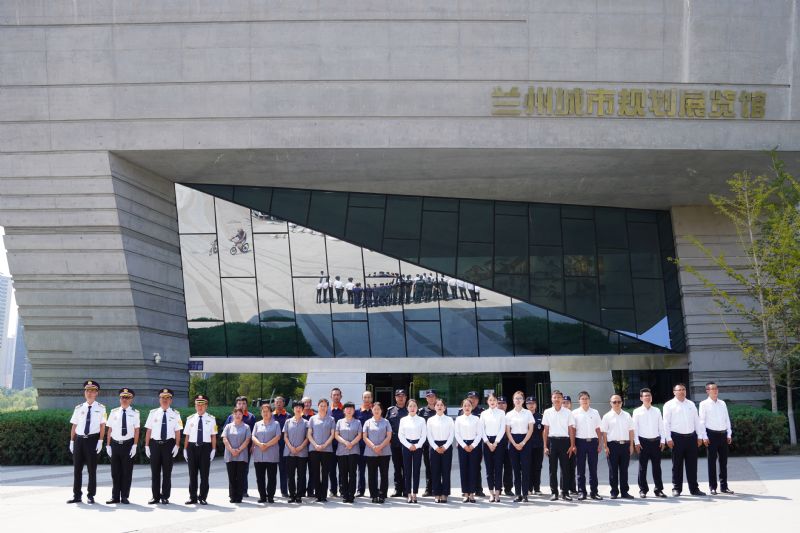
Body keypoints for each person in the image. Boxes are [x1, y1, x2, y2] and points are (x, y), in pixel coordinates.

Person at [67, 380, 107, 504]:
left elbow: (102, 426)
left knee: (91, 470)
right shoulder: (79, 408)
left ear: (96, 393)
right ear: (85, 393)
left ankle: (91, 495)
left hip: (92, 440)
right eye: (87, 391)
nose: (89, 393)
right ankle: (77, 495)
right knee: (77, 469)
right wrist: (72, 441)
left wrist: (100, 441)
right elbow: (74, 425)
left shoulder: (101, 408)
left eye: (92, 391)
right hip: (79, 440)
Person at [663, 383, 706, 497]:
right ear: (674, 392)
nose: (682, 391)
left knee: (692, 465)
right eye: (679, 390)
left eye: (683, 389)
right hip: (677, 438)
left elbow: (697, 421)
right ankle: (676, 488)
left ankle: (694, 489)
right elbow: (666, 423)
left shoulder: (691, 404)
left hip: (691, 438)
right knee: (677, 465)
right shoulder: (669, 405)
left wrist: (700, 436)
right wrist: (668, 438)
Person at [144, 388, 183, 504]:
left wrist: (177, 445)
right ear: (159, 399)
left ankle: (165, 496)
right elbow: (149, 430)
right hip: (155, 445)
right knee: (155, 472)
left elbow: (177, 431)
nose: (165, 400)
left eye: (167, 398)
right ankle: (155, 496)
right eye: (162, 398)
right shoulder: (153, 413)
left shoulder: (176, 414)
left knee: (167, 472)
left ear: (171, 400)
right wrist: (147, 446)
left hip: (168, 445)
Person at [104, 387, 138, 505]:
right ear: (120, 399)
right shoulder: (114, 412)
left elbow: (136, 430)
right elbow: (109, 430)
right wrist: (108, 445)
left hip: (128, 444)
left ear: (131, 399)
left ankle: (124, 496)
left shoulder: (135, 413)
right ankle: (115, 497)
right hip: (115, 444)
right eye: (122, 397)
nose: (124, 399)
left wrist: (135, 445)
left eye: (127, 398)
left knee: (127, 472)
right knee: (115, 472)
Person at [699, 381, 734, 495]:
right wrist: (704, 436)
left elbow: (727, 419)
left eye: (716, 388)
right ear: (707, 391)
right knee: (712, 462)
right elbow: (702, 421)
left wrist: (729, 434)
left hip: (723, 435)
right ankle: (712, 487)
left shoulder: (722, 403)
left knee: (723, 462)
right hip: (711, 435)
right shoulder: (703, 404)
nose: (715, 391)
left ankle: (724, 487)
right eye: (712, 389)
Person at [183, 394, 217, 505]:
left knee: (204, 474)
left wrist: (213, 449)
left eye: (202, 405)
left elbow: (213, 436)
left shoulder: (211, 419)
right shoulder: (190, 419)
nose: (200, 407)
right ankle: (192, 497)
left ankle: (202, 497)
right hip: (192, 448)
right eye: (198, 404)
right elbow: (187, 436)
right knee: (192, 474)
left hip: (205, 448)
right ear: (195, 406)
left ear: (206, 405)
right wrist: (185, 449)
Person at [633, 387, 667, 498]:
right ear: (641, 398)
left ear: (651, 397)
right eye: (645, 396)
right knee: (642, 468)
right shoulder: (637, 412)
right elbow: (635, 429)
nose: (647, 397)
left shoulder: (657, 410)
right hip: (643, 442)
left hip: (656, 442)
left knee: (657, 467)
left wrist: (663, 440)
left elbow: (661, 427)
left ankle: (658, 490)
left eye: (649, 396)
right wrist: (636, 442)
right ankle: (643, 490)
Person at [542, 389, 576, 501]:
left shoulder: (568, 412)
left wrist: (572, 445)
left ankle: (565, 492)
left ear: (562, 399)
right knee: (552, 469)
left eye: (559, 397)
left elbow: (571, 429)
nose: (557, 399)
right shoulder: (547, 412)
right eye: (555, 397)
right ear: (552, 399)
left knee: (565, 468)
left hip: (565, 442)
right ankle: (554, 492)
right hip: (552, 442)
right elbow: (545, 430)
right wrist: (545, 446)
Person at [602, 394, 635, 499]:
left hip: (625, 445)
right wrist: (605, 446)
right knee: (613, 470)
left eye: (619, 401)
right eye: (614, 402)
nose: (617, 403)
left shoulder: (627, 415)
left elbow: (631, 431)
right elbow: (604, 433)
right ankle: (614, 492)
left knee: (624, 470)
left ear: (622, 402)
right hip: (612, 446)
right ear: (610, 403)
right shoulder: (607, 416)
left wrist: (631, 445)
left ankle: (624, 491)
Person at [571, 391, 603, 501]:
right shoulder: (574, 413)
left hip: (593, 442)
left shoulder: (595, 412)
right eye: (582, 398)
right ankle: (582, 492)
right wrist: (573, 445)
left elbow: (598, 428)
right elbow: (573, 430)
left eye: (586, 398)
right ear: (579, 401)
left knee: (593, 468)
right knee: (580, 469)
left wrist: (600, 443)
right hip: (580, 442)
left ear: (589, 400)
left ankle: (594, 492)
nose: (584, 400)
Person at [224, 396, 256, 497]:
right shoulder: (230, 417)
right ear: (236, 405)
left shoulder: (251, 417)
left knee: (244, 470)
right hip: (231, 448)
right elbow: (225, 433)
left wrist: (253, 445)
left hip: (245, 448)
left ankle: (243, 490)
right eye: (239, 403)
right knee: (232, 471)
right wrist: (230, 448)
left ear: (247, 405)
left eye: (243, 403)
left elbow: (254, 433)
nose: (241, 405)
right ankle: (233, 492)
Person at [505, 391, 533, 502]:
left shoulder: (528, 413)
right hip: (513, 441)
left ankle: (525, 494)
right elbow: (508, 431)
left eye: (520, 398)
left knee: (525, 469)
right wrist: (514, 443)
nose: (518, 400)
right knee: (516, 469)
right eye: (516, 398)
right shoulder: (509, 414)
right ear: (513, 400)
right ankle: (518, 494)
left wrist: (523, 443)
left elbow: (530, 429)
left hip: (525, 441)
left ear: (523, 400)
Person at [251, 402, 281, 503]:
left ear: (271, 412)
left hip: (271, 454)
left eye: (267, 411)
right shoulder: (257, 424)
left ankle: (271, 496)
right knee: (260, 477)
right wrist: (260, 444)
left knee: (271, 477)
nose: (265, 413)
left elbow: (277, 437)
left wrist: (266, 445)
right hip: (259, 454)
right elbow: (253, 436)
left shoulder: (276, 424)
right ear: (261, 413)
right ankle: (262, 496)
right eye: (263, 411)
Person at [363, 402, 393, 503]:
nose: (376, 411)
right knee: (372, 474)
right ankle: (374, 495)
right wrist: (374, 447)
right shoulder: (367, 422)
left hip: (384, 452)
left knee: (384, 474)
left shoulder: (386, 422)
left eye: (378, 409)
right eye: (374, 409)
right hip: (370, 452)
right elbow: (364, 437)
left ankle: (382, 495)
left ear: (381, 411)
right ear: (372, 410)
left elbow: (389, 436)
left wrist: (380, 447)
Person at [426, 398, 455, 503]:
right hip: (434, 447)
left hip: (446, 446)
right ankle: (436, 493)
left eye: (441, 405)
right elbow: (429, 435)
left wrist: (445, 446)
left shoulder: (449, 420)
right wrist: (435, 447)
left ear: (445, 407)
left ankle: (444, 493)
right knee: (435, 471)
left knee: (446, 471)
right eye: (437, 405)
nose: (439, 407)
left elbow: (452, 435)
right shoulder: (430, 420)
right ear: (434, 407)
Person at [455, 398, 483, 503]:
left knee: (473, 469)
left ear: (472, 407)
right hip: (462, 446)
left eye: (469, 406)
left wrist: (473, 445)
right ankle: (465, 493)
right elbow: (457, 433)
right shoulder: (458, 419)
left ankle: (472, 494)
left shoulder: (476, 419)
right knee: (464, 469)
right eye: (465, 405)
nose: (467, 407)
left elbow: (479, 434)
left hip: (473, 446)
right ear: (462, 407)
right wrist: (463, 445)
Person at [398, 399, 427, 503]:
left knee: (416, 470)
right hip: (407, 446)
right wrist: (409, 445)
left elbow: (424, 435)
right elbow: (400, 435)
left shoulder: (421, 420)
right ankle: (408, 494)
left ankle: (415, 493)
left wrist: (417, 445)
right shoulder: (403, 420)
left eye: (414, 406)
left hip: (418, 447)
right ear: (407, 408)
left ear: (417, 408)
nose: (412, 408)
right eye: (410, 406)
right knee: (407, 471)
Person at [307, 398, 336, 502]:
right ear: (318, 406)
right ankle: (317, 495)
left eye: (325, 406)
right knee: (315, 472)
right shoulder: (312, 419)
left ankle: (323, 495)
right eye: (321, 406)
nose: (323, 407)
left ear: (327, 407)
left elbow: (332, 434)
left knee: (325, 473)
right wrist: (315, 445)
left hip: (327, 449)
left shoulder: (331, 419)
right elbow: (309, 434)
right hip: (314, 449)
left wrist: (324, 445)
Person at [480, 393, 506, 502]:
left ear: (497, 402)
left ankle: (498, 493)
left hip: (498, 442)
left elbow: (502, 429)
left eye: (494, 400)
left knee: (498, 468)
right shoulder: (484, 414)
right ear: (487, 401)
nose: (492, 402)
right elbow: (481, 429)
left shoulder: (501, 413)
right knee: (489, 469)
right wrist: (488, 442)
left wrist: (495, 443)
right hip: (487, 443)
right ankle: (491, 493)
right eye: (490, 400)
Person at [222, 407, 252, 503]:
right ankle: (232, 496)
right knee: (231, 477)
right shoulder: (228, 426)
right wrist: (231, 450)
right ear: (233, 415)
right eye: (236, 414)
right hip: (230, 455)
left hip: (242, 455)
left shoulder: (246, 427)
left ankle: (239, 497)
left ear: (242, 415)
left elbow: (247, 440)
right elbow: (224, 439)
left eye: (239, 414)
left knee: (240, 477)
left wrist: (238, 450)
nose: (238, 416)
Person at [335, 402, 362, 503]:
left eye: (351, 408)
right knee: (343, 473)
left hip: (353, 451)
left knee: (352, 473)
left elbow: (359, 435)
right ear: (344, 410)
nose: (349, 410)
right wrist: (345, 442)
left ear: (354, 411)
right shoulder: (339, 422)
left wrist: (351, 443)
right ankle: (345, 494)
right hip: (342, 451)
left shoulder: (358, 422)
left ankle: (351, 495)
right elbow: (336, 435)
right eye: (347, 408)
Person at [283, 401, 309, 503]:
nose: (298, 409)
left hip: (302, 453)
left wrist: (300, 447)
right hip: (290, 452)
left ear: (302, 409)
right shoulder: (288, 422)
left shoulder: (306, 422)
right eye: (296, 407)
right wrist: (291, 447)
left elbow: (307, 437)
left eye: (300, 407)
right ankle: (292, 495)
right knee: (290, 475)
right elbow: (285, 436)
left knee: (301, 475)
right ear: (293, 409)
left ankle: (299, 495)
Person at [386, 388, 409, 497]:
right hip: (394, 443)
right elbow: (386, 426)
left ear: (406, 398)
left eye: (402, 396)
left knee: (406, 467)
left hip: (407, 444)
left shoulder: (410, 410)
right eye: (398, 396)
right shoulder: (390, 410)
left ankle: (406, 489)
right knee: (397, 467)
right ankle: (397, 489)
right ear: (395, 398)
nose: (400, 398)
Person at [418, 389, 438, 497]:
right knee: (428, 466)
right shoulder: (421, 411)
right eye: (429, 396)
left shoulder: (440, 408)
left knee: (438, 466)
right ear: (426, 398)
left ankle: (437, 488)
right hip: (426, 444)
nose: (431, 398)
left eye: (432, 396)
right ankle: (428, 489)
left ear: (436, 397)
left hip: (438, 443)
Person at [355, 390, 374, 496]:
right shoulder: (357, 412)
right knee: (361, 469)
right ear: (362, 399)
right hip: (361, 445)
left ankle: (373, 491)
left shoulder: (375, 411)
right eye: (365, 397)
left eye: (369, 397)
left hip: (373, 446)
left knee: (372, 470)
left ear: (371, 398)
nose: (367, 399)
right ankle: (360, 490)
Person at [526, 396, 545, 496]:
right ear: (526, 405)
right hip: (527, 446)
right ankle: (529, 488)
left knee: (537, 467)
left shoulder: (541, 416)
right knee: (528, 467)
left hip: (538, 446)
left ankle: (537, 488)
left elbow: (544, 431)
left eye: (533, 403)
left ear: (536, 405)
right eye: (529, 403)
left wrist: (545, 445)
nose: (531, 405)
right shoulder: (524, 416)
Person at [328, 388, 345, 497]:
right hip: (330, 444)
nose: (336, 397)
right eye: (334, 395)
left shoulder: (345, 410)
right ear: (331, 397)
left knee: (343, 469)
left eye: (338, 395)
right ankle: (333, 490)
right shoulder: (327, 410)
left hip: (342, 444)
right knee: (331, 469)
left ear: (341, 396)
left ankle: (342, 490)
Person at [273, 396, 290, 497]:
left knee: (284, 470)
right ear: (274, 404)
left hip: (283, 446)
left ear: (284, 403)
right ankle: (271, 491)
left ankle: (284, 491)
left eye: (280, 402)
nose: (278, 404)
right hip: (272, 446)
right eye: (276, 402)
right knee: (271, 470)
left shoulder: (288, 416)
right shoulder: (271, 415)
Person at [498, 396, 514, 496]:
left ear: (506, 405)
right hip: (497, 445)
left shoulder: (510, 416)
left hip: (509, 444)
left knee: (509, 467)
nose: (501, 405)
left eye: (503, 403)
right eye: (499, 403)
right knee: (497, 467)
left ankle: (508, 488)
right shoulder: (495, 416)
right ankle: (498, 488)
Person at [563, 395, 578, 495]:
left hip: (573, 442)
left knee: (572, 466)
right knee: (563, 466)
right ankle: (563, 488)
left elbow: (576, 430)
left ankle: (572, 488)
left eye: (567, 403)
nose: (565, 404)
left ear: (570, 404)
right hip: (563, 442)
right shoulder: (560, 415)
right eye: (563, 403)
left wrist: (574, 445)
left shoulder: (574, 415)